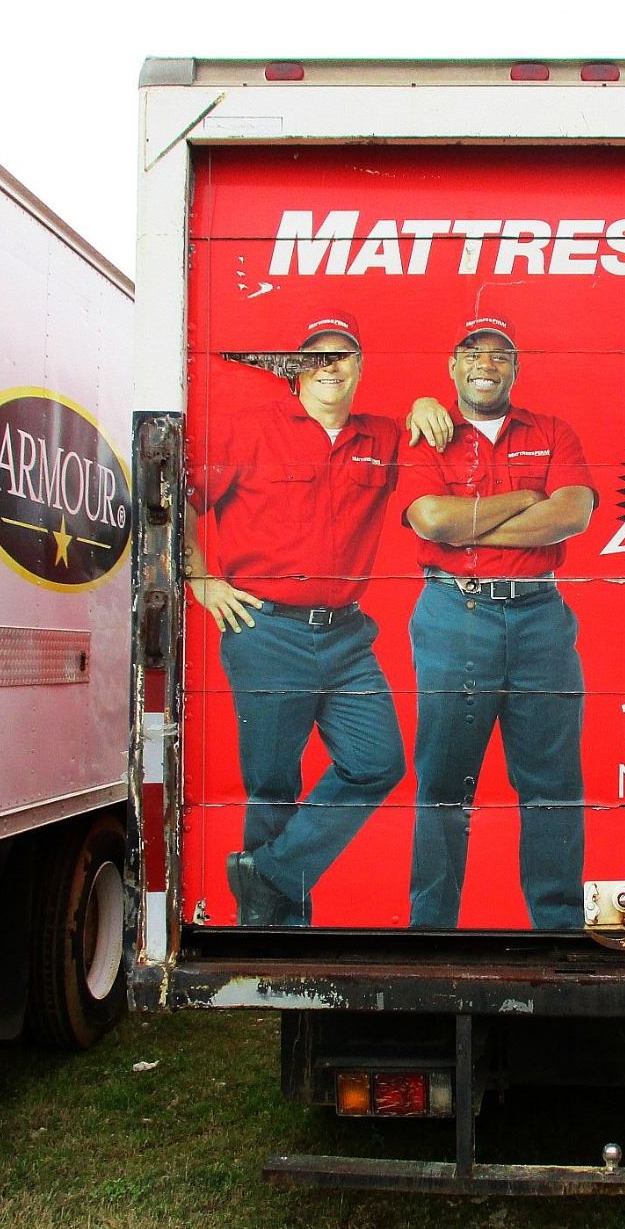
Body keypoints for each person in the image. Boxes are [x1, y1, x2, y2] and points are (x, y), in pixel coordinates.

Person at [187, 311, 448, 927]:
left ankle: (267, 875)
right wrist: (200, 578)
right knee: (273, 785)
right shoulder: (250, 429)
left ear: (360, 366)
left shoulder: (383, 437)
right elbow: (177, 502)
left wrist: (425, 401)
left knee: (377, 763)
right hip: (266, 632)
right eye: (316, 356)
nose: (329, 365)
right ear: (296, 369)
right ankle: (275, 932)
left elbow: (434, 442)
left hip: (346, 639)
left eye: (342, 354)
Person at [401, 314, 597, 929]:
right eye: (472, 352)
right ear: (452, 365)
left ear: (515, 368)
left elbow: (572, 515)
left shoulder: (553, 432)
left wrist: (469, 527)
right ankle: (431, 931)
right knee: (442, 781)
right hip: (453, 616)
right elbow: (432, 520)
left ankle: (558, 927)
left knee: (553, 783)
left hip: (541, 619)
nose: (485, 364)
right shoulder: (427, 434)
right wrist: (524, 500)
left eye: (499, 355)